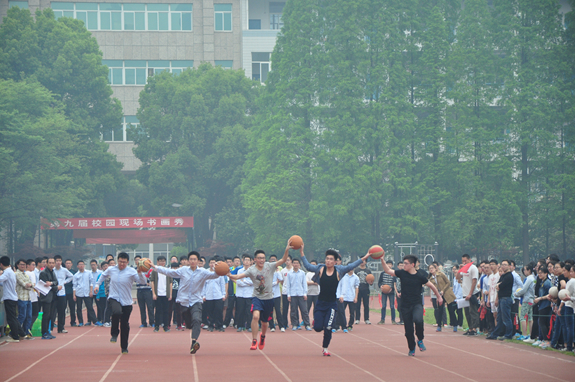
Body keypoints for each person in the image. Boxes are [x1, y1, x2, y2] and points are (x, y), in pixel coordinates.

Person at [150, 251, 224, 354]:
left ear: (198, 261)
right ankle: (192, 331)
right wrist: (155, 267)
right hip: (184, 301)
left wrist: (219, 268)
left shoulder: (203, 272)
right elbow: (169, 272)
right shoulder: (183, 270)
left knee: (197, 320)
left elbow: (215, 275)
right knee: (189, 324)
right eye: (191, 259)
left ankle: (194, 342)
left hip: (196, 300)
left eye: (195, 259)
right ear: (188, 261)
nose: (193, 261)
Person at [301, 248, 369, 356]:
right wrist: (301, 252)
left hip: (332, 304)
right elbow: (308, 266)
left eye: (331, 259)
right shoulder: (320, 269)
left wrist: (364, 258)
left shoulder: (339, 270)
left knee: (328, 327)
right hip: (320, 303)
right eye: (327, 259)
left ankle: (325, 348)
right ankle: (318, 321)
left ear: (335, 262)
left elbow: (351, 266)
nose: (328, 261)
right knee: (318, 328)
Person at [228, 246, 291, 350]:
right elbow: (239, 276)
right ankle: (254, 339)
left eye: (263, 258)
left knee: (264, 322)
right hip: (257, 297)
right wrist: (228, 274)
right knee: (256, 316)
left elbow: (283, 260)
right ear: (255, 259)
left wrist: (287, 249)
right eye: (259, 258)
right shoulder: (252, 270)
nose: (262, 260)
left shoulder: (269, 266)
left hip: (269, 298)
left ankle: (262, 336)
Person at [380, 255, 443, 356]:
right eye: (403, 263)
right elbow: (388, 270)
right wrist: (382, 260)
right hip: (405, 306)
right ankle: (412, 348)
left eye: (406, 263)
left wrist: (439, 297)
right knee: (408, 330)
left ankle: (420, 339)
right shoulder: (402, 273)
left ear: (412, 265)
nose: (404, 265)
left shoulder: (420, 276)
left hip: (417, 304)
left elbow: (431, 285)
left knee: (418, 320)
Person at [94, 252, 147, 354]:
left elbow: (143, 282)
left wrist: (140, 273)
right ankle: (114, 333)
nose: (122, 264)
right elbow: (102, 276)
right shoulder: (111, 269)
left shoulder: (132, 271)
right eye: (120, 261)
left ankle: (124, 347)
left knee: (124, 325)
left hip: (126, 301)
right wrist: (96, 285)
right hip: (114, 297)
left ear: (127, 262)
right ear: (117, 261)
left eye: (124, 262)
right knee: (116, 312)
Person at [0, 256, 27, 342]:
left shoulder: (7, 272)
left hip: (9, 297)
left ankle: (15, 337)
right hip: (12, 297)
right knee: (13, 317)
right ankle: (22, 333)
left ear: (1, 264)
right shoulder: (10, 271)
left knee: (11, 318)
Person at [486, 260, 514, 340]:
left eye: (505, 265)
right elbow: (497, 285)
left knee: (506, 318)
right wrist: (498, 285)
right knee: (499, 318)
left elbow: (500, 286)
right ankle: (495, 334)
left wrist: (498, 285)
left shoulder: (509, 276)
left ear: (509, 266)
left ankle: (508, 335)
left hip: (506, 298)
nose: (503, 266)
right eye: (502, 264)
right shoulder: (503, 275)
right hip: (501, 298)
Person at [427, 264, 456, 332]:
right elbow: (432, 287)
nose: (431, 269)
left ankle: (455, 324)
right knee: (439, 310)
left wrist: (443, 290)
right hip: (439, 295)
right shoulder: (430, 278)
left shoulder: (441, 274)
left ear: (435, 268)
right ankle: (439, 325)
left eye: (432, 268)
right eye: (430, 268)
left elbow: (448, 282)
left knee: (451, 310)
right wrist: (436, 292)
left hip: (447, 294)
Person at [285, 258, 311, 331]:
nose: (296, 264)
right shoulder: (289, 273)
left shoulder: (302, 273)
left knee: (304, 310)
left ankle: (307, 324)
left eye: (297, 263)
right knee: (293, 311)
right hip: (293, 294)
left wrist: (305, 293)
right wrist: (288, 295)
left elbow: (304, 284)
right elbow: (288, 285)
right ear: (292, 264)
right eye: (294, 263)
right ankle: (295, 324)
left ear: (299, 264)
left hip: (301, 294)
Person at [201, 258, 227, 332]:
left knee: (219, 311)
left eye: (214, 263)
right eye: (211, 263)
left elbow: (222, 284)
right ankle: (211, 325)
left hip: (218, 295)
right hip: (209, 295)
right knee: (210, 312)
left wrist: (223, 294)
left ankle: (219, 326)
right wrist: (204, 295)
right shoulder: (206, 273)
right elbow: (203, 285)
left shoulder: (219, 272)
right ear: (209, 264)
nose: (212, 264)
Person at [457, 254, 480, 336]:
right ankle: (470, 328)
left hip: (472, 293)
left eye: (465, 260)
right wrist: (460, 270)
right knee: (467, 312)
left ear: (469, 259)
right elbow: (458, 278)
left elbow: (474, 281)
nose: (464, 262)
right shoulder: (464, 268)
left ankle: (475, 328)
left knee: (473, 311)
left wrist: (470, 293)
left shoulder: (473, 268)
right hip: (465, 293)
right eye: (462, 261)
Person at [73, 260, 100, 326]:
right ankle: (81, 322)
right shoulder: (76, 275)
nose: (81, 266)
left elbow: (91, 283)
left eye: (82, 264)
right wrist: (74, 295)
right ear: (77, 266)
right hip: (79, 293)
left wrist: (91, 291)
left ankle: (95, 321)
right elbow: (74, 286)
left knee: (90, 307)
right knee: (79, 308)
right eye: (80, 264)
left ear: (84, 265)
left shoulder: (88, 273)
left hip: (87, 293)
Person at [150, 256, 173, 332]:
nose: (162, 262)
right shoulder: (154, 271)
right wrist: (154, 293)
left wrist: (170, 294)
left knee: (166, 311)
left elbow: (170, 283)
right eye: (160, 261)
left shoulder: (168, 271)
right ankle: (156, 326)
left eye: (163, 261)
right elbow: (152, 282)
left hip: (166, 294)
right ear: (157, 262)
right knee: (158, 311)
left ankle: (166, 326)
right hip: (158, 294)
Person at [39, 257, 60, 339]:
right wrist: (56, 287)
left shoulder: (53, 272)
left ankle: (48, 331)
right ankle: (44, 332)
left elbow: (56, 282)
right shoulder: (43, 273)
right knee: (46, 315)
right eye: (50, 263)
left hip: (52, 297)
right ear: (46, 263)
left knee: (51, 315)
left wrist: (51, 283)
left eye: (53, 263)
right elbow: (45, 285)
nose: (51, 264)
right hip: (46, 297)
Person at [532, 266, 552, 348]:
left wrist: (540, 298)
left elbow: (550, 294)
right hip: (542, 305)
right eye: (538, 273)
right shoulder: (542, 282)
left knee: (542, 323)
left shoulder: (547, 283)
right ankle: (544, 339)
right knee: (541, 323)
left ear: (546, 273)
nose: (539, 274)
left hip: (545, 305)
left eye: (541, 273)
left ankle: (547, 340)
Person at [53, 255, 73, 333]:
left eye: (60, 261)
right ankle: (50, 327)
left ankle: (61, 328)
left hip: (62, 293)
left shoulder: (64, 270)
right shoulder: (52, 270)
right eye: (57, 261)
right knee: (52, 311)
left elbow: (71, 276)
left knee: (61, 311)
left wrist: (65, 282)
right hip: (53, 292)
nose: (58, 262)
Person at [515, 262, 536, 340]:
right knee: (530, 317)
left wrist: (516, 293)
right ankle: (530, 335)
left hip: (527, 299)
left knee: (522, 317)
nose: (524, 272)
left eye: (525, 270)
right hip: (531, 299)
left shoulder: (529, 279)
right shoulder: (533, 278)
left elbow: (524, 289)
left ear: (529, 270)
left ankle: (524, 334)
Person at [134, 255, 154, 328]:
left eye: (139, 260)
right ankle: (143, 322)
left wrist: (149, 283)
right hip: (139, 290)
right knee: (142, 307)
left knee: (150, 306)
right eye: (136, 260)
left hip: (147, 290)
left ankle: (152, 322)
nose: (138, 261)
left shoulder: (150, 270)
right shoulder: (134, 270)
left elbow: (151, 280)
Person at [15, 259, 34, 339]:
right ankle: (14, 332)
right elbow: (24, 284)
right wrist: (29, 285)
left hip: (28, 298)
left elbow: (32, 284)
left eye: (24, 264)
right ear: (18, 265)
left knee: (29, 316)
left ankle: (26, 332)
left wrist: (30, 285)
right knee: (22, 316)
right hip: (21, 298)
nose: (23, 266)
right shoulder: (17, 274)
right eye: (21, 264)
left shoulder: (25, 274)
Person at [235, 254, 254, 332]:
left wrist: (244, 281)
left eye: (248, 260)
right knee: (240, 311)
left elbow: (253, 282)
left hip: (250, 294)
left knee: (249, 311)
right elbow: (238, 282)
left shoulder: (253, 270)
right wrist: (248, 282)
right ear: (243, 261)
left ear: (251, 262)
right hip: (240, 294)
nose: (246, 261)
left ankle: (249, 326)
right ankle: (240, 325)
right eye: (245, 260)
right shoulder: (239, 271)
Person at [378, 260, 396, 325]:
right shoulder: (382, 273)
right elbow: (379, 282)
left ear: (392, 265)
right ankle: (382, 319)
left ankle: (393, 320)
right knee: (383, 306)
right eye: (388, 264)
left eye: (390, 264)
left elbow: (395, 283)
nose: (389, 265)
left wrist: (392, 288)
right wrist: (381, 286)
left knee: (392, 306)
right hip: (384, 292)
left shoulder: (394, 273)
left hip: (391, 292)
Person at [354, 260, 372, 325]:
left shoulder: (368, 271)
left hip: (366, 289)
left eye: (364, 261)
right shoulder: (356, 270)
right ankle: (357, 319)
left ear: (366, 262)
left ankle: (366, 319)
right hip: (358, 289)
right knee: (357, 305)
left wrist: (371, 282)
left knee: (366, 305)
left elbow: (371, 281)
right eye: (361, 261)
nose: (362, 262)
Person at [269, 256, 284, 332]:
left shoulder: (277, 271)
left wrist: (277, 271)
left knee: (278, 311)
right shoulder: (267, 272)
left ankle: (281, 326)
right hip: (269, 295)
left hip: (277, 294)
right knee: (270, 311)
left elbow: (281, 279)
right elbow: (268, 284)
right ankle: (272, 326)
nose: (273, 262)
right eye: (271, 260)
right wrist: (275, 283)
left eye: (274, 260)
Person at [25, 259, 40, 334]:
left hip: (26, 297)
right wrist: (38, 291)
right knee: (34, 313)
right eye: (33, 265)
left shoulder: (24, 273)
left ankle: (26, 328)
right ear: (28, 265)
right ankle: (28, 328)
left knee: (28, 314)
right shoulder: (31, 274)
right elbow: (34, 285)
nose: (34, 266)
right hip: (33, 297)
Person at [280, 255, 294, 332]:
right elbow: (282, 281)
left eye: (288, 260)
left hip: (293, 292)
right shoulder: (283, 271)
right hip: (285, 291)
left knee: (294, 308)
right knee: (285, 308)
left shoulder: (294, 270)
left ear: (291, 261)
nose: (287, 262)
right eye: (286, 260)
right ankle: (284, 323)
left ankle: (294, 323)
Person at [64, 259, 77, 326]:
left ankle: (73, 321)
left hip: (71, 292)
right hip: (63, 292)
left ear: (71, 264)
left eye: (69, 263)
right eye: (67, 263)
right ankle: (62, 322)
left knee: (72, 308)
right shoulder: (63, 271)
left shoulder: (74, 272)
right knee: (63, 308)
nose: (68, 265)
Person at [451, 264, 464, 330]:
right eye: (453, 269)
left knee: (459, 311)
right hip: (455, 297)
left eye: (455, 269)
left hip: (459, 298)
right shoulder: (454, 278)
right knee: (453, 310)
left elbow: (460, 290)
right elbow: (454, 288)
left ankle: (460, 324)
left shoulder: (460, 278)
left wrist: (457, 298)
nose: (454, 271)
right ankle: (454, 323)